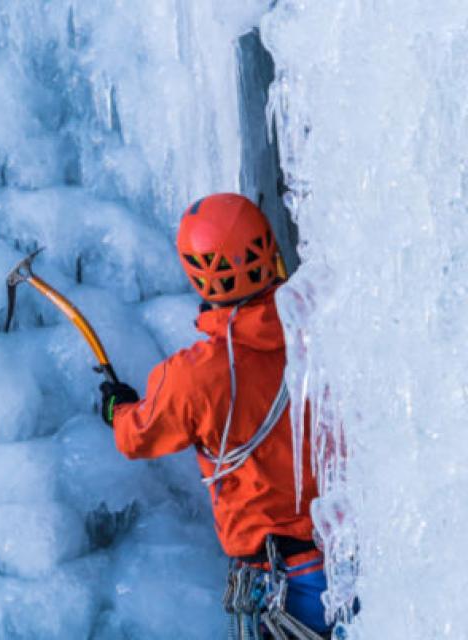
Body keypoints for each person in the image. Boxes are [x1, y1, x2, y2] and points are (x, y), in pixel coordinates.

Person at [99, 193, 330, 637]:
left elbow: (137, 436)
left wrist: (116, 407)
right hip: (349, 559)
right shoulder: (320, 325)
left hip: (279, 581)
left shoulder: (196, 375)